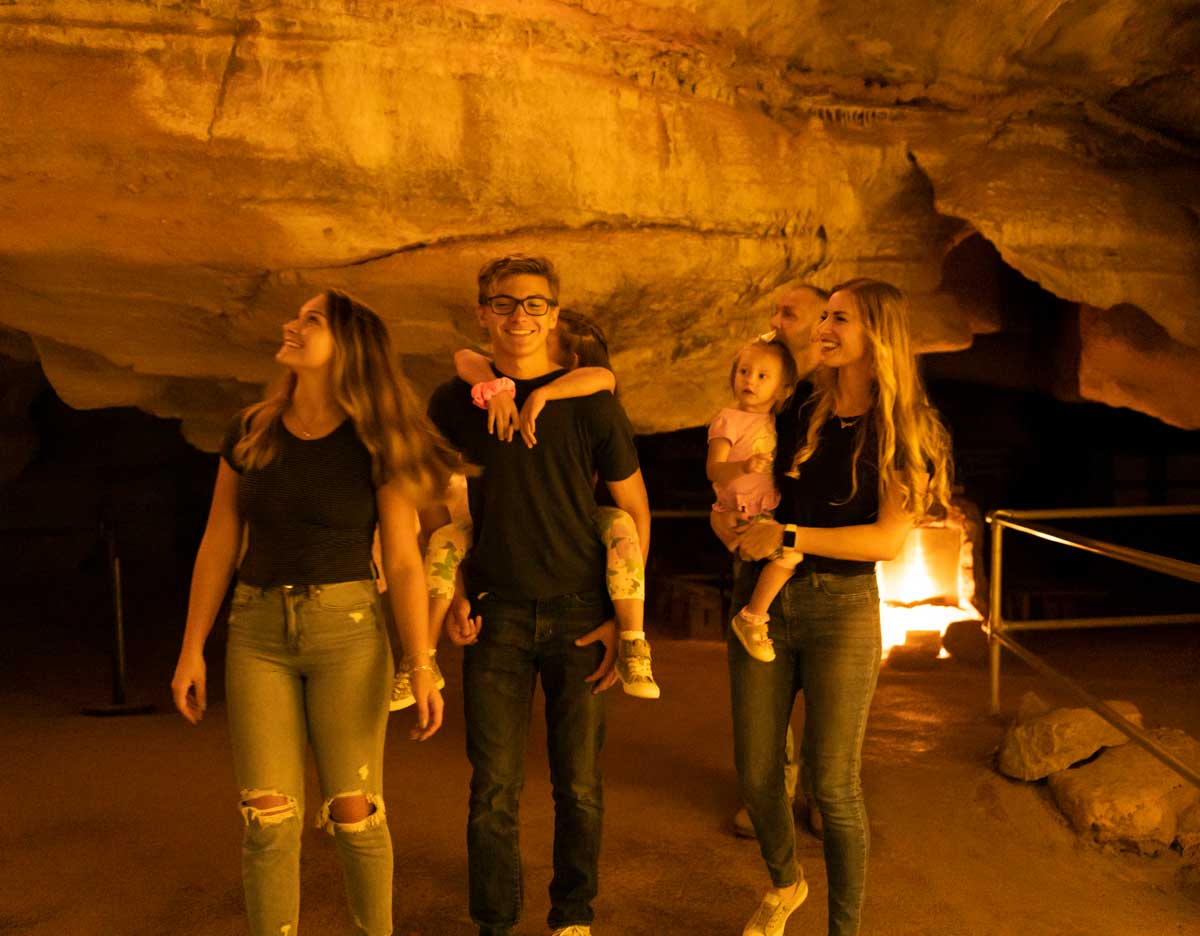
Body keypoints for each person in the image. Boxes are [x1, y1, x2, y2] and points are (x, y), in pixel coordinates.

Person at [170, 290, 458, 936]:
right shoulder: (250, 429)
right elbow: (219, 542)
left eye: (311, 321)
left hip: (348, 635)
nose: (291, 326)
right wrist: (192, 646)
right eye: (297, 317)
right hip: (257, 631)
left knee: (355, 815)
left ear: (348, 348)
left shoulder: (373, 442)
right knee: (268, 819)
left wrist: (423, 661)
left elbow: (407, 562)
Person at [427, 254, 651, 936]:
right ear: (482, 313)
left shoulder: (591, 403)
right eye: (503, 303)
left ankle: (572, 917)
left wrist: (622, 615)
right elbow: (440, 502)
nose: (518, 316)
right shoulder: (454, 402)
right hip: (496, 613)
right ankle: (495, 921)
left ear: (554, 314)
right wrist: (456, 590)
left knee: (578, 786)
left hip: (580, 612)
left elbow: (634, 510)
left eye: (533, 304)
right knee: (492, 790)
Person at [730, 279, 954, 936]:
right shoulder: (801, 407)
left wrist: (791, 537)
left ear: (877, 335)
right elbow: (761, 488)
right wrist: (734, 521)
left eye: (840, 319)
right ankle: (785, 881)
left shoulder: (903, 428)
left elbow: (887, 540)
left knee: (832, 784)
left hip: (842, 612)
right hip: (763, 603)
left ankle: (844, 929)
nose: (823, 328)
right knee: (758, 773)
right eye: (823, 316)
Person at [390, 309, 657, 708]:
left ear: (571, 364)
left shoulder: (591, 402)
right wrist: (496, 389)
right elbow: (466, 358)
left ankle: (636, 640)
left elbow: (604, 377)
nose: (525, 336)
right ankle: (419, 661)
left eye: (546, 336)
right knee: (446, 540)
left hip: (574, 552)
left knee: (619, 523)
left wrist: (620, 620)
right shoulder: (481, 390)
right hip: (495, 563)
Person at [707, 337, 801, 661]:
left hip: (765, 507)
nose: (750, 380)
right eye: (744, 371)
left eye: (763, 376)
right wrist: (743, 466)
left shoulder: (775, 423)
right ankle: (752, 617)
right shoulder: (727, 419)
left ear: (784, 390)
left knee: (771, 559)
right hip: (742, 507)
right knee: (790, 556)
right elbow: (714, 470)